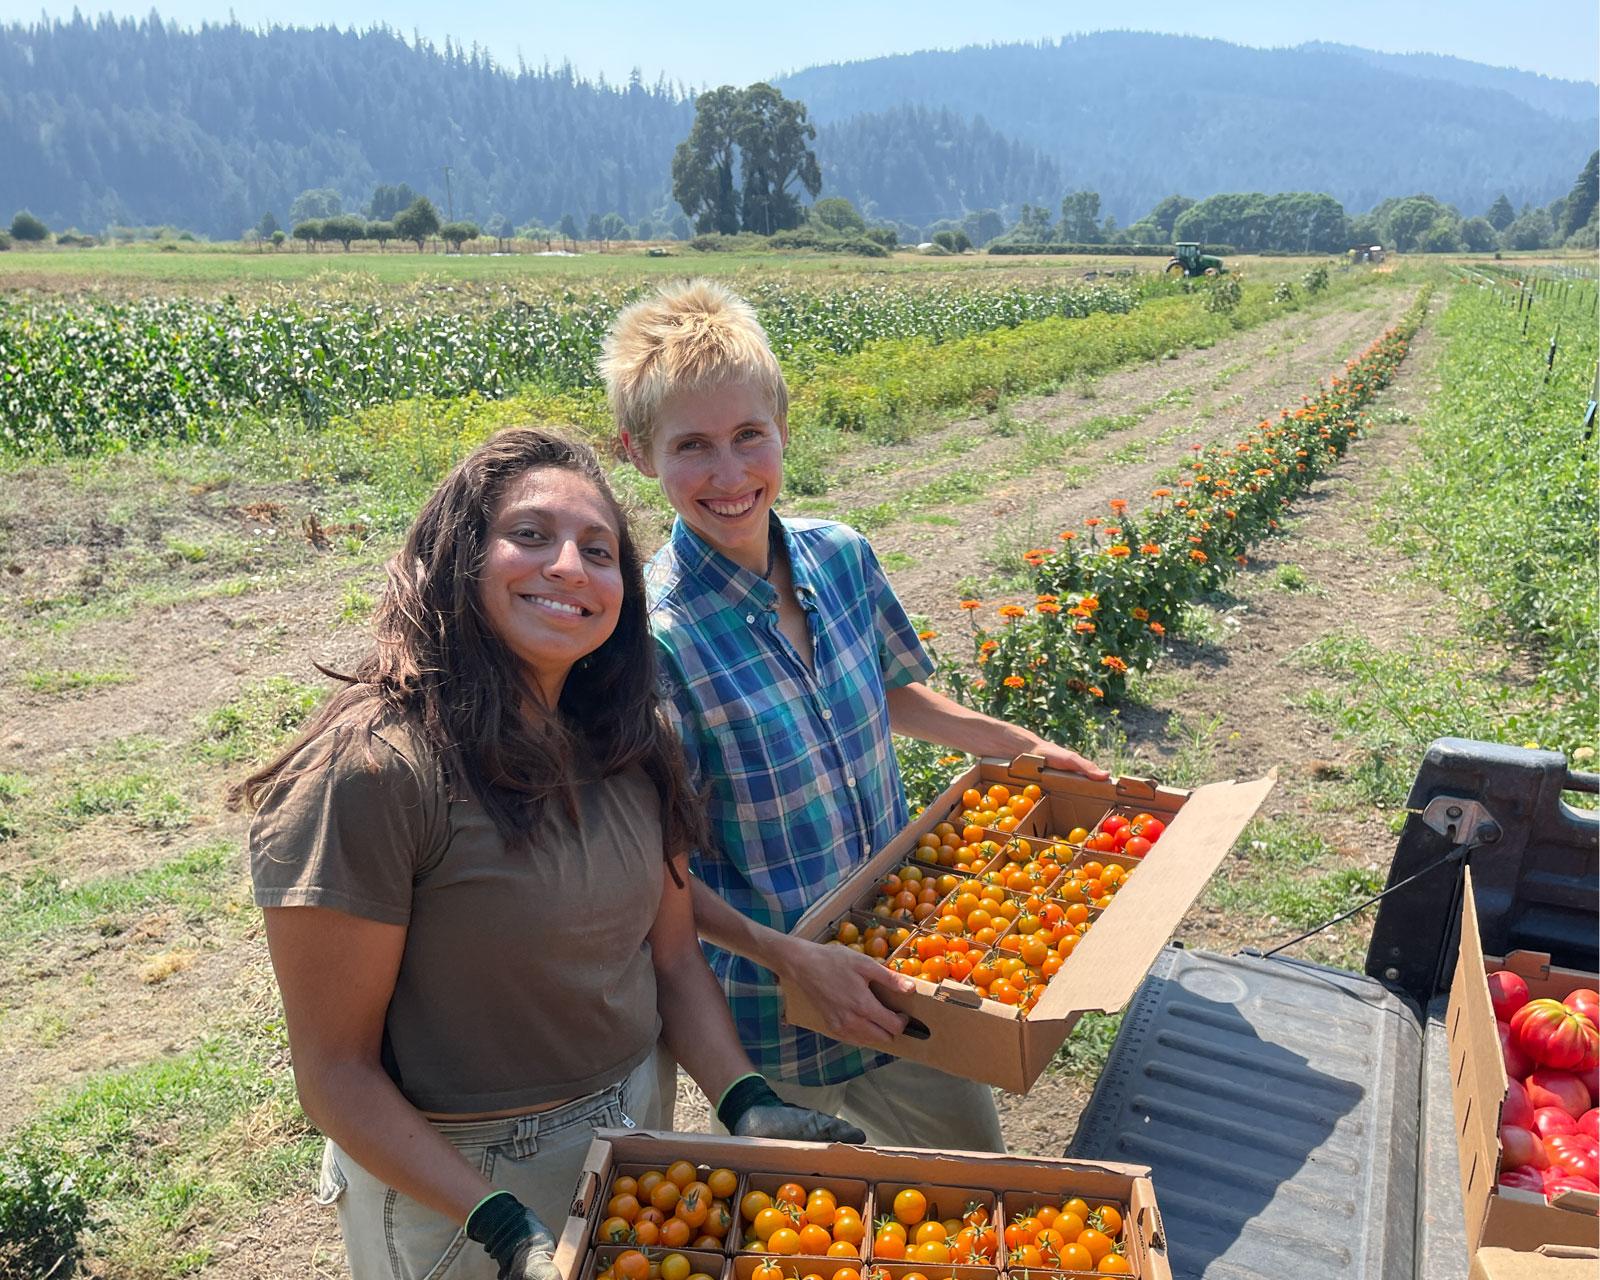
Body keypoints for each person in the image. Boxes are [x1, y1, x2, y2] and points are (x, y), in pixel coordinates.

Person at [240, 428, 861, 1280]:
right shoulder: (375, 770)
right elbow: (335, 1073)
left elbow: (673, 960)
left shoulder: (632, 740)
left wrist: (746, 1104)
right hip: (461, 1185)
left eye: (598, 551)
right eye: (529, 536)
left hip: (641, 1137)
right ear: (457, 556)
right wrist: (505, 1229)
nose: (568, 566)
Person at [600, 281, 1110, 1152]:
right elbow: (659, 876)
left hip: (905, 967)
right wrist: (792, 957)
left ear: (784, 428)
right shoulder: (654, 644)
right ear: (640, 454)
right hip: (773, 1010)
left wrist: (1014, 744)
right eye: (693, 446)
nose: (729, 475)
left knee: (970, 1180)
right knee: (817, 1227)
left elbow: (887, 690)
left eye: (749, 436)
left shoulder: (840, 557)